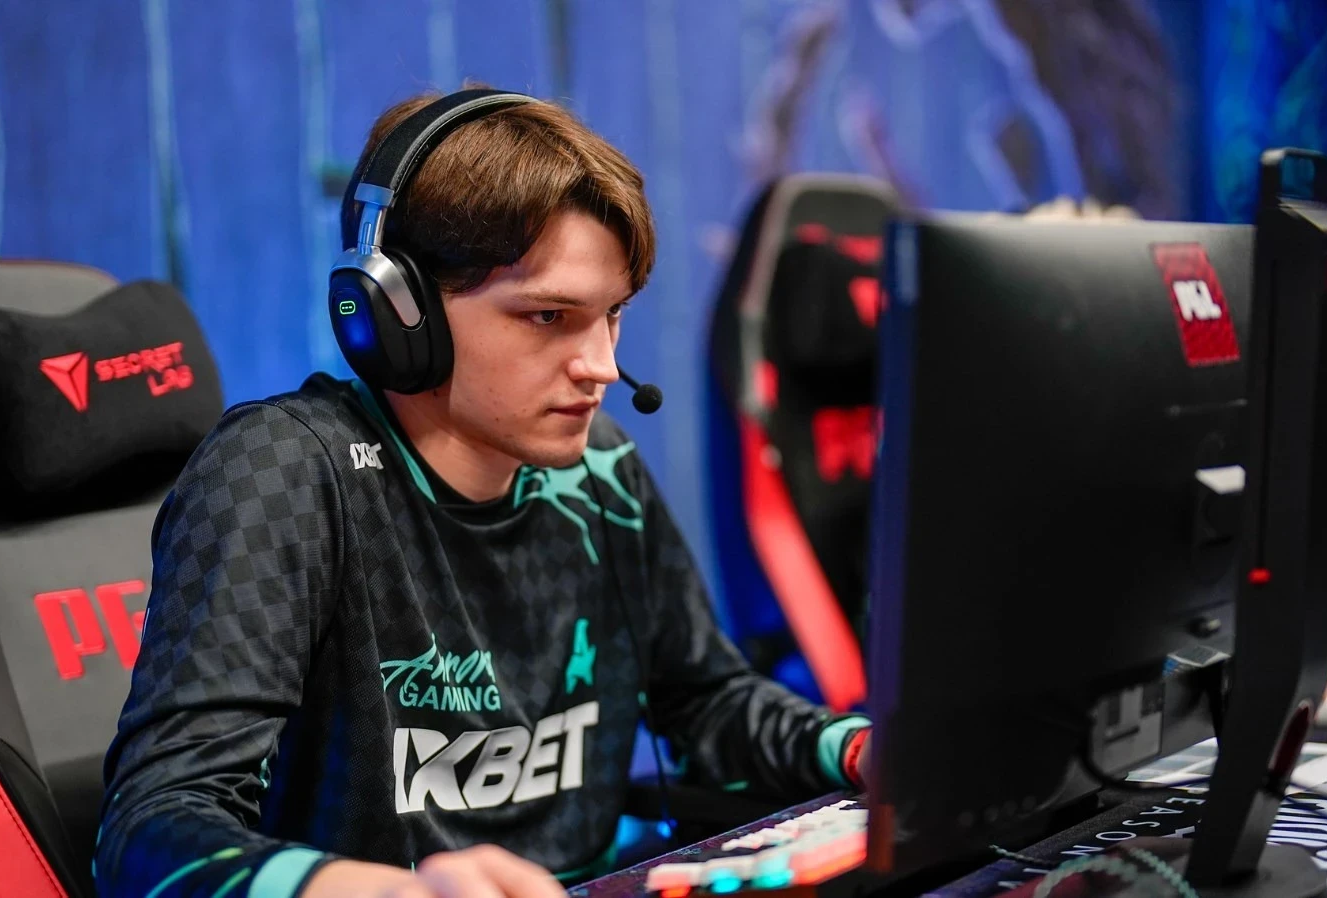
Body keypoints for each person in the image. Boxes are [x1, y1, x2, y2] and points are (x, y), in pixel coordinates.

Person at [93, 87, 871, 898]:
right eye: (547, 317)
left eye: (611, 315)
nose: (601, 366)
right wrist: (390, 895)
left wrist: (858, 750)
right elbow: (151, 827)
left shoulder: (600, 470)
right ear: (397, 313)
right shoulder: (284, 472)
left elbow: (707, 703)